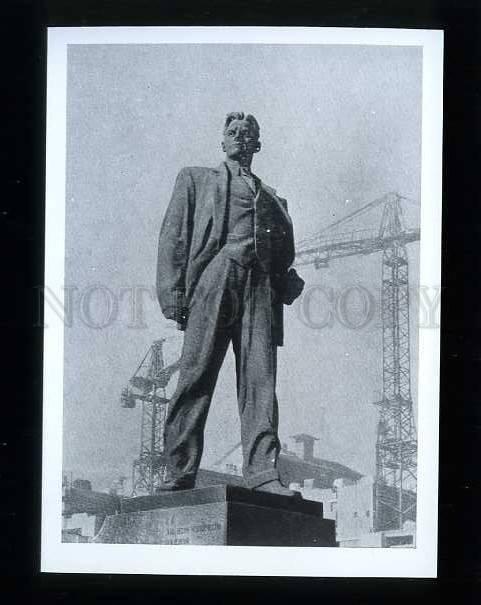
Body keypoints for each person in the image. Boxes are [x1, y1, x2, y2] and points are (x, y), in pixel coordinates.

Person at [156, 112, 304, 496]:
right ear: (223, 141)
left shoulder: (275, 199)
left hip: (261, 290)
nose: (240, 137)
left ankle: (263, 473)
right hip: (215, 277)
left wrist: (287, 279)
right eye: (233, 132)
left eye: (247, 133)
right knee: (196, 374)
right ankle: (179, 471)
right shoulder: (196, 180)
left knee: (260, 381)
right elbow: (174, 236)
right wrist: (173, 293)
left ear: (257, 144)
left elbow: (283, 253)